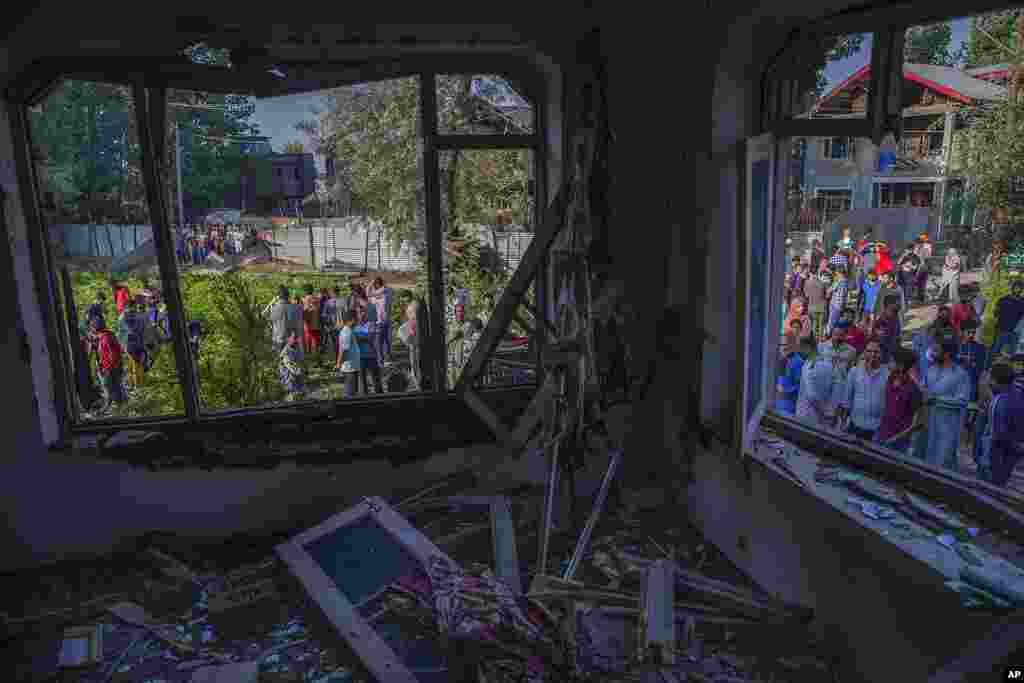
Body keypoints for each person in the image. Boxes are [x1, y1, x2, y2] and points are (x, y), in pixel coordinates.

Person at [921, 340, 972, 471]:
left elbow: (962, 401)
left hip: (948, 425)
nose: (932, 353)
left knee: (943, 461)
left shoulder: (960, 374)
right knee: (924, 458)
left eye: (937, 351)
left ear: (947, 354)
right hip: (927, 422)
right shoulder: (931, 369)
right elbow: (923, 388)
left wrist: (937, 399)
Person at [837, 338, 889, 441]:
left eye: (876, 352)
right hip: (855, 425)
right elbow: (847, 399)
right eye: (869, 351)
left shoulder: (888, 375)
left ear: (882, 354)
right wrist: (843, 423)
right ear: (864, 352)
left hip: (876, 429)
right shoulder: (854, 371)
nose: (872, 355)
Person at [877, 348, 926, 454]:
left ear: (901, 366)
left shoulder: (913, 389)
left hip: (898, 443)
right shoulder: (890, 379)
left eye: (891, 361)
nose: (888, 363)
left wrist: (896, 438)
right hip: (881, 434)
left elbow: (919, 422)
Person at [988, 363, 1024, 486]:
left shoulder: (1001, 400)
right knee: (1002, 477)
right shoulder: (1018, 393)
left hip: (1002, 445)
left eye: (990, 378)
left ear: (995, 380)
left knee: (996, 479)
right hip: (1015, 443)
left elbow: (1000, 431)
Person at [795, 340, 836, 428]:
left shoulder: (808, 366)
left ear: (807, 348)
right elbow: (832, 389)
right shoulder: (829, 364)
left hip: (806, 416)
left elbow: (811, 395)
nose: (798, 351)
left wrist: (821, 412)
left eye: (800, 348)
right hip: (822, 417)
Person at [92, 318, 126, 412]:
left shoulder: (106, 337)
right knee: (114, 386)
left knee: (110, 387)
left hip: (111, 367)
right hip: (110, 366)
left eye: (93, 328)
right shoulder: (105, 336)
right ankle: (118, 406)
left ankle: (113, 406)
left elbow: (113, 353)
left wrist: (111, 366)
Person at [118, 296, 148, 390]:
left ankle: (136, 386)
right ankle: (139, 385)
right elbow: (144, 329)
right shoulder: (140, 316)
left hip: (128, 343)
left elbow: (120, 332)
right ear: (135, 305)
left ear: (126, 306)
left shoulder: (122, 317)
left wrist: (121, 344)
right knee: (138, 364)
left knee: (132, 364)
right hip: (139, 342)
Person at [777, 336, 811, 414]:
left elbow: (802, 386)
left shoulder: (799, 362)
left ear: (794, 345)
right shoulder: (779, 359)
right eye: (781, 345)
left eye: (787, 344)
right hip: (777, 404)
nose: (784, 347)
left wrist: (786, 391)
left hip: (790, 406)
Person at [957, 318, 988, 404]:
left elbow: (981, 370)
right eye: (968, 332)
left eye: (973, 333)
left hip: (972, 389)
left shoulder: (981, 348)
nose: (971, 335)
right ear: (962, 332)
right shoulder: (955, 347)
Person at [992, 279, 1024, 358]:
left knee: (1012, 355)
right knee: (996, 352)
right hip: (1002, 330)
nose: (1017, 289)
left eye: (1019, 288)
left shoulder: (1022, 301)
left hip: (1015, 332)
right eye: (1016, 287)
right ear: (1012, 288)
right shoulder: (1003, 299)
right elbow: (995, 313)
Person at [354, 314, 383, 395]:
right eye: (359, 312)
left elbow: (371, 338)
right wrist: (365, 337)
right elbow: (354, 340)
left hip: (371, 355)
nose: (361, 315)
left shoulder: (371, 324)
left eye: (362, 311)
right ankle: (364, 396)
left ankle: (380, 396)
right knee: (362, 381)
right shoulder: (354, 327)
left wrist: (359, 337)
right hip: (360, 356)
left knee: (376, 379)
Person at [335, 310, 361, 398]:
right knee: (350, 393)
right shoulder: (346, 332)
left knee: (353, 391)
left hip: (353, 366)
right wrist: (338, 364)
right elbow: (343, 350)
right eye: (356, 318)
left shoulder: (349, 330)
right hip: (349, 368)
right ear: (352, 320)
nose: (358, 320)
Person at [369, 276, 394, 363]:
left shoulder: (379, 295)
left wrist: (371, 284)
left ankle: (382, 359)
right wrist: (374, 283)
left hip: (382, 321)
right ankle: (384, 359)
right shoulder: (386, 294)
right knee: (384, 341)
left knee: (381, 341)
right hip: (384, 321)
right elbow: (368, 293)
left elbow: (368, 293)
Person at [872, 295, 902, 366]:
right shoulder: (882, 320)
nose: (899, 305)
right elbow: (880, 340)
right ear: (889, 304)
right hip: (884, 357)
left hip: (893, 353)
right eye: (897, 303)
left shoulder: (895, 316)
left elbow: (897, 336)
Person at [399, 300, 420, 391]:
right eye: (410, 313)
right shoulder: (405, 327)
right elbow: (408, 340)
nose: (413, 315)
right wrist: (412, 331)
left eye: (415, 312)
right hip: (415, 353)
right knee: (416, 372)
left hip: (424, 354)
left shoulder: (424, 325)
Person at [279, 331, 306, 402]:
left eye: (296, 338)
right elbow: (291, 366)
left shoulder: (297, 347)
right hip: (288, 377)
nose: (296, 340)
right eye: (294, 338)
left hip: (297, 375)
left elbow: (301, 360)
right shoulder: (286, 351)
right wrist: (299, 370)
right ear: (288, 339)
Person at [803, 269, 828, 341]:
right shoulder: (822, 283)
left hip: (812, 305)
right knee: (821, 325)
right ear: (817, 273)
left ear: (810, 273)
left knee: (814, 323)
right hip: (822, 305)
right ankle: (820, 340)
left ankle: (814, 340)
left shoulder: (807, 283)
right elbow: (825, 295)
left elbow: (806, 295)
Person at [825, 267, 849, 337]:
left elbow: (829, 290)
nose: (836, 274)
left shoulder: (839, 282)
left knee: (831, 321)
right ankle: (833, 334)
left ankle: (828, 335)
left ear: (840, 273)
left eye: (837, 273)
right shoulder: (846, 282)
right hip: (840, 305)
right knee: (835, 321)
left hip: (835, 304)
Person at [268, 286, 292, 353]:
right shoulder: (291, 307)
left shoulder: (274, 307)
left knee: (278, 359)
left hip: (276, 338)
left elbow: (271, 321)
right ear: (288, 296)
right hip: (288, 339)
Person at [302, 284, 321, 356]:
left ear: (306, 291)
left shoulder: (306, 299)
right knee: (315, 340)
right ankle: (315, 355)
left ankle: (309, 355)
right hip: (316, 323)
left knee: (308, 340)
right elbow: (318, 309)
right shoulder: (316, 299)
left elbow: (305, 311)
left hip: (308, 323)